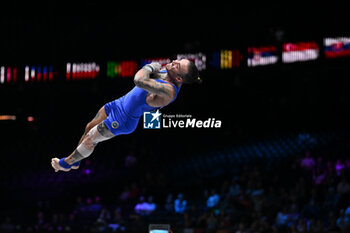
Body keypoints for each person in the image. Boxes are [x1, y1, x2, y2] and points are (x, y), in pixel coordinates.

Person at [51, 59, 200, 172]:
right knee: (89, 126)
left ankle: (66, 163)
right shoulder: (166, 74)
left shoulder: (169, 91)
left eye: (177, 66)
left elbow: (139, 80)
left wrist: (149, 67)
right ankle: (77, 161)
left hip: (123, 119)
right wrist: (153, 69)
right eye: (178, 60)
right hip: (118, 104)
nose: (174, 62)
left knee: (91, 137)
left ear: (179, 79)